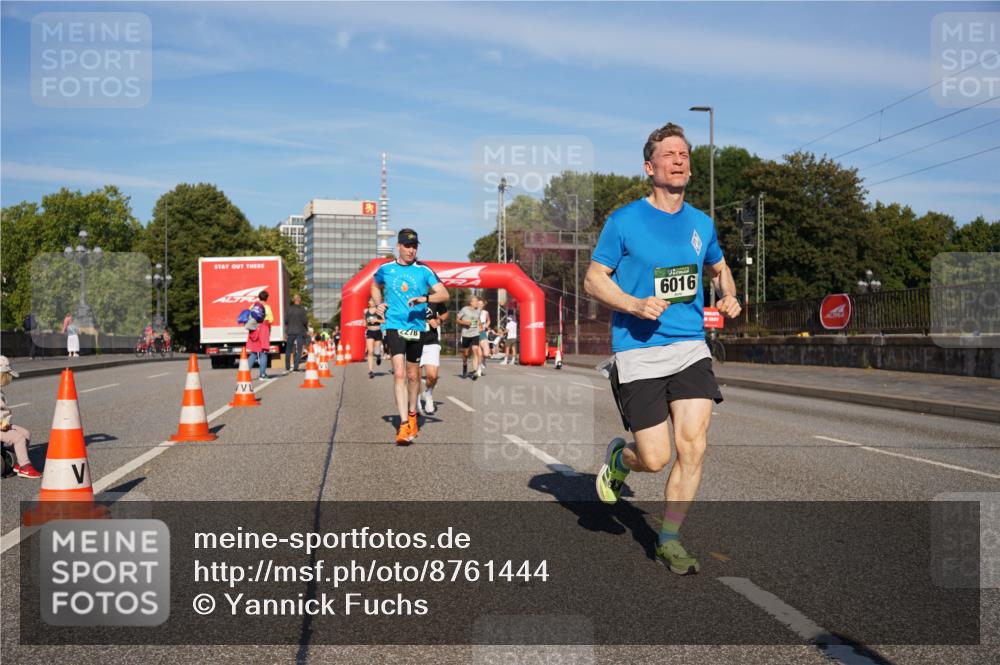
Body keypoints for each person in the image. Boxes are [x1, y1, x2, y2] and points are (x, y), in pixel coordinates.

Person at [586, 122, 741, 576]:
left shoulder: (701, 223)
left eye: (685, 154)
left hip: (690, 346)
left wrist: (727, 293)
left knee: (692, 446)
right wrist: (634, 303)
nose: (679, 160)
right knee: (654, 458)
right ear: (649, 166)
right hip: (637, 350)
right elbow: (594, 279)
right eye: (669, 154)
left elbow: (719, 268)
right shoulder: (624, 222)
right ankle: (620, 458)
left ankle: (669, 538)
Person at [371, 229, 449, 445]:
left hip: (417, 327)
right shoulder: (385, 269)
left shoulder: (423, 270)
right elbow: (374, 286)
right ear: (398, 246)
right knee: (399, 373)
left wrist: (424, 298)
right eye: (407, 246)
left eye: (414, 246)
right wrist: (378, 305)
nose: (411, 250)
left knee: (414, 376)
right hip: (395, 325)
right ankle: (403, 425)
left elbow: (444, 294)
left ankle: (413, 413)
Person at [0, 356, 41, 478]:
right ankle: (25, 466)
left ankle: (19, 461)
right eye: (8, 376)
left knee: (25, 433)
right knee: (18, 438)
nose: (9, 380)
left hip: (2, 424)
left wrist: (5, 423)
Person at [419, 299, 448, 414]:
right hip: (413, 340)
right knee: (414, 377)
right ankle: (415, 403)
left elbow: (445, 313)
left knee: (433, 376)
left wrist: (439, 320)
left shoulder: (434, 298)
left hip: (431, 342)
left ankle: (428, 393)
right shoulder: (409, 295)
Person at [246, 290, 274, 380]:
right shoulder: (267, 307)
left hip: (254, 330)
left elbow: (249, 316)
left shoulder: (253, 306)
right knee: (263, 353)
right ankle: (262, 374)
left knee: (253, 352)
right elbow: (271, 319)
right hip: (263, 330)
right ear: (267, 298)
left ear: (259, 297)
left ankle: (246, 373)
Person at [456, 297, 481, 379]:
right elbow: (457, 320)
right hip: (466, 334)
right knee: (466, 354)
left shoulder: (478, 310)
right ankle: (465, 367)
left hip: (475, 333)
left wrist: (480, 326)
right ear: (471, 302)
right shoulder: (465, 309)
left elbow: (478, 320)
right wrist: (465, 323)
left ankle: (475, 371)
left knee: (475, 350)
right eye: (476, 301)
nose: (477, 303)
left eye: (477, 301)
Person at [285, 293, 309, 373]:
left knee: (288, 349)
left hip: (290, 331)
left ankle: (287, 366)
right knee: (299, 350)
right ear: (299, 300)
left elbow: (286, 320)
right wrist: (306, 329)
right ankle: (295, 367)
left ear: (294, 300)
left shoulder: (289, 308)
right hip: (300, 331)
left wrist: (287, 330)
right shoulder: (302, 310)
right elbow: (305, 321)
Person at [364, 299, 385, 379]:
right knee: (370, 351)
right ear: (369, 303)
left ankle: (378, 356)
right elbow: (365, 322)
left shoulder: (379, 310)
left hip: (378, 332)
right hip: (370, 332)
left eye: (373, 301)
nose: (371, 302)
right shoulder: (366, 311)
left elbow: (384, 321)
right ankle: (370, 371)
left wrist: (377, 320)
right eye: (370, 301)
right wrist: (367, 322)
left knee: (377, 350)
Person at [477, 298, 491, 375]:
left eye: (481, 304)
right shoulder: (474, 312)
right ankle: (479, 369)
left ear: (483, 305)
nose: (480, 305)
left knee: (486, 353)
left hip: (483, 332)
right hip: (475, 333)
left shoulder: (486, 312)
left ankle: (484, 359)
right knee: (479, 354)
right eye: (478, 304)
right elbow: (472, 322)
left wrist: (486, 325)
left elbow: (489, 320)